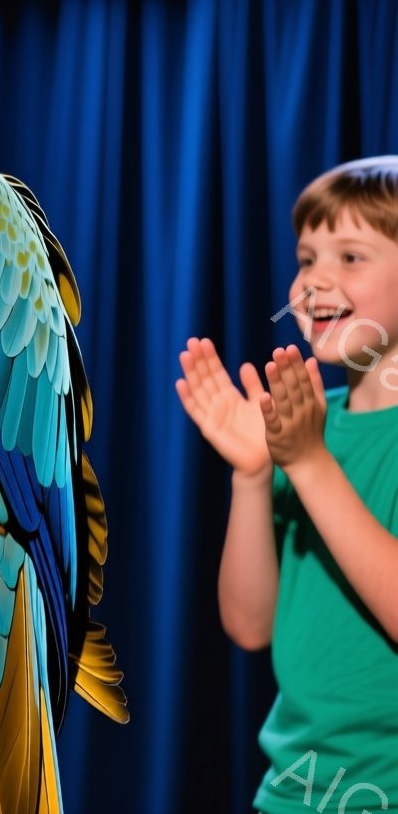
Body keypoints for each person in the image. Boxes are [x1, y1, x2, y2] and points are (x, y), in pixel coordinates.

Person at [176, 156, 398, 813]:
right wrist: (253, 473)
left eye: (351, 257)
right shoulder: (308, 429)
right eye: (306, 259)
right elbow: (249, 625)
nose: (314, 282)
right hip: (290, 795)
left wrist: (306, 464)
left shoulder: (309, 448)